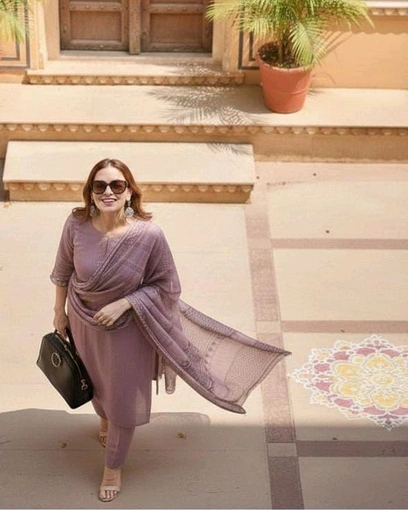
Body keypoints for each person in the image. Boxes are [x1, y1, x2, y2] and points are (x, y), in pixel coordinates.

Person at [50, 158, 289, 503]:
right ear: (90, 192)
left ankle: (112, 468)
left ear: (129, 192)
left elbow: (167, 286)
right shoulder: (76, 225)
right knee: (97, 381)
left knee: (124, 398)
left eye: (117, 185)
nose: (108, 192)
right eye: (100, 186)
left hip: (128, 330)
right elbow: (63, 271)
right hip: (84, 322)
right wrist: (59, 312)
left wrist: (125, 303)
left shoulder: (148, 235)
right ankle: (105, 420)